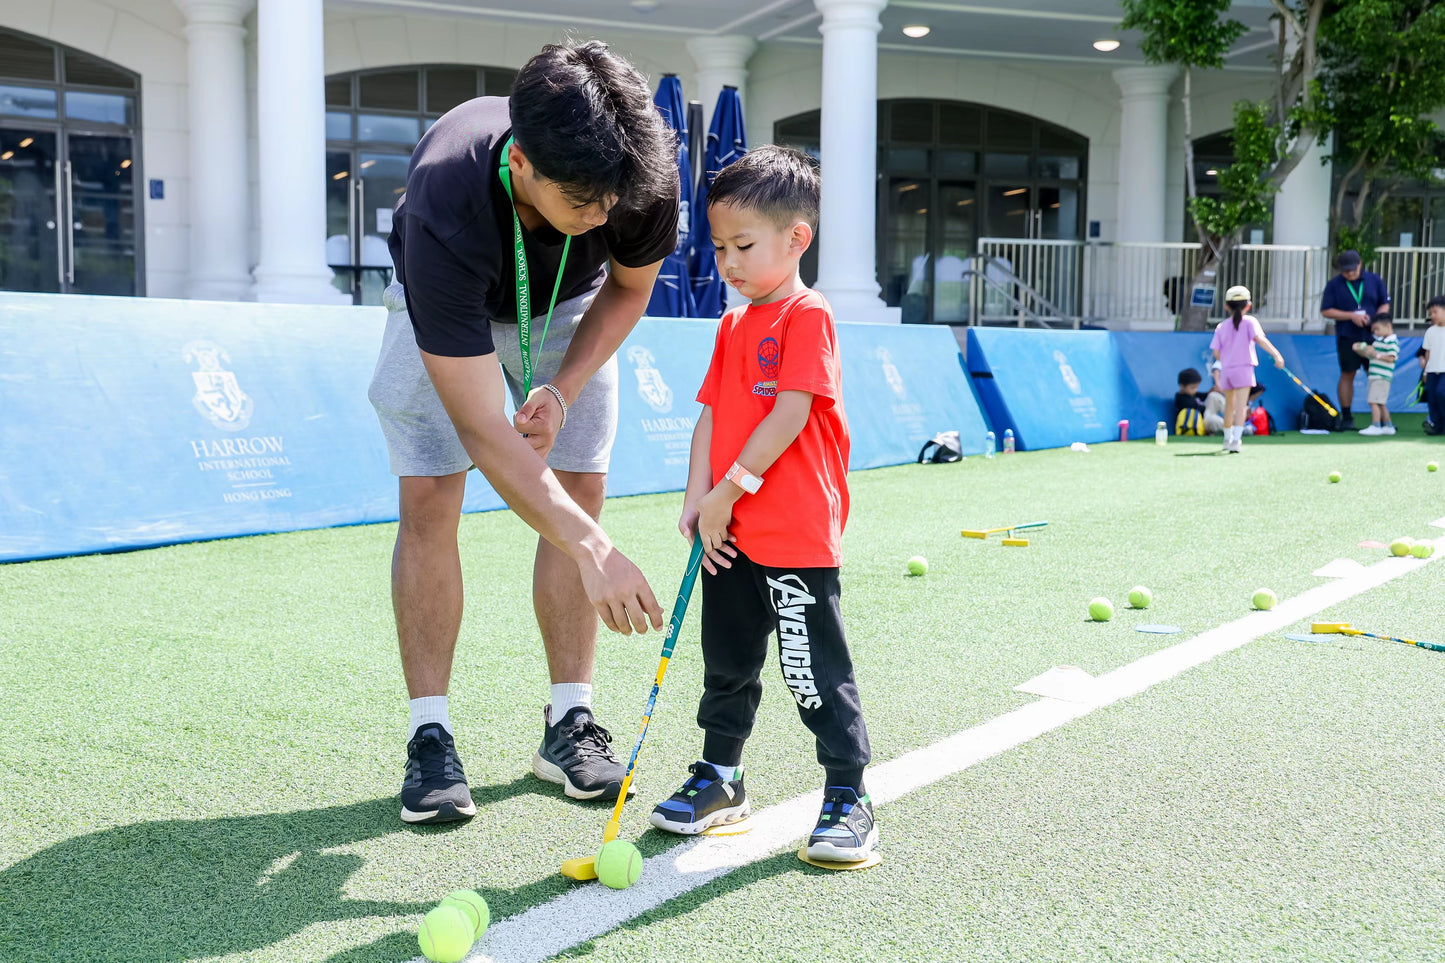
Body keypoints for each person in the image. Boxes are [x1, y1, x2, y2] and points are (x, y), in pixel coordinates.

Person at [367, 41, 679, 824]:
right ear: (525, 161)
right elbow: (483, 430)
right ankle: (429, 733)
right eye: (584, 200)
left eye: (615, 200)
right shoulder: (445, 202)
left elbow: (629, 288)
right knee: (432, 496)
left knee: (579, 489)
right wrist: (593, 550)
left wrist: (561, 389)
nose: (605, 214)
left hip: (572, 304)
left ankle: (568, 723)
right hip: (449, 307)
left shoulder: (632, 172)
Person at [647, 146, 878, 863]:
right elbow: (712, 415)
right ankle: (721, 777)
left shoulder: (808, 316)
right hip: (727, 533)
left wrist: (726, 491)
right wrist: (697, 501)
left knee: (811, 672)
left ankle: (848, 794)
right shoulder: (732, 323)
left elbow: (789, 414)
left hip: (794, 534)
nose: (728, 262)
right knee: (727, 661)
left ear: (796, 238)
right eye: (718, 247)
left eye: (742, 246)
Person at [1320, 249, 1391, 431]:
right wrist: (1351, 316)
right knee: (1347, 373)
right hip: (1347, 335)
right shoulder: (1334, 284)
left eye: (1352, 269)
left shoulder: (1375, 280)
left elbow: (1385, 303)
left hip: (1374, 335)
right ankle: (1347, 416)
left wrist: (1375, 319)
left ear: (1360, 264)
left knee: (1376, 375)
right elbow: (1326, 310)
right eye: (1345, 271)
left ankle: (1383, 419)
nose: (1349, 273)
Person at [1211, 285, 1285, 453]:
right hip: (1244, 369)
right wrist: (1277, 355)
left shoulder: (1221, 326)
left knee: (1229, 405)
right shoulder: (1251, 322)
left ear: (1226, 306)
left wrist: (1228, 359)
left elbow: (1216, 352)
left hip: (1227, 370)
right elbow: (1261, 340)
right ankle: (1236, 441)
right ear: (1248, 305)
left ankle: (1226, 439)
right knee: (1241, 405)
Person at [1352, 315, 1400, 436]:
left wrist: (1376, 355)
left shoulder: (1393, 342)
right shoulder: (1378, 342)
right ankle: (1388, 426)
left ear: (1388, 327)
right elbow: (1369, 354)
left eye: (1377, 329)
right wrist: (1359, 348)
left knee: (1373, 401)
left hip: (1382, 377)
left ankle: (1376, 425)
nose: (1375, 332)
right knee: (1380, 402)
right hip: (1375, 376)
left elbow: (1391, 358)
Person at [1422, 296, 1445, 436]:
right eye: (1431, 313)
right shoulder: (1430, 331)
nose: (1432, 316)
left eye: (1435, 312)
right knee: (1432, 397)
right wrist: (1425, 372)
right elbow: (1427, 352)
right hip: (1432, 371)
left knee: (1441, 393)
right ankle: (1436, 425)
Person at [1173, 367, 1206, 435]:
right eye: (1193, 387)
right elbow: (1198, 408)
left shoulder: (1193, 394)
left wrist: (1212, 391)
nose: (1196, 390)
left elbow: (1203, 395)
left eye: (1197, 387)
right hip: (1199, 424)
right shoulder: (1182, 399)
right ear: (1182, 386)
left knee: (1214, 396)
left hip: (1205, 419)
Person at [1203, 361, 1227, 435]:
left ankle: (1237, 428)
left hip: (1232, 418)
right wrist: (1218, 384)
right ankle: (1229, 429)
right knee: (1213, 396)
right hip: (1209, 420)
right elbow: (1217, 368)